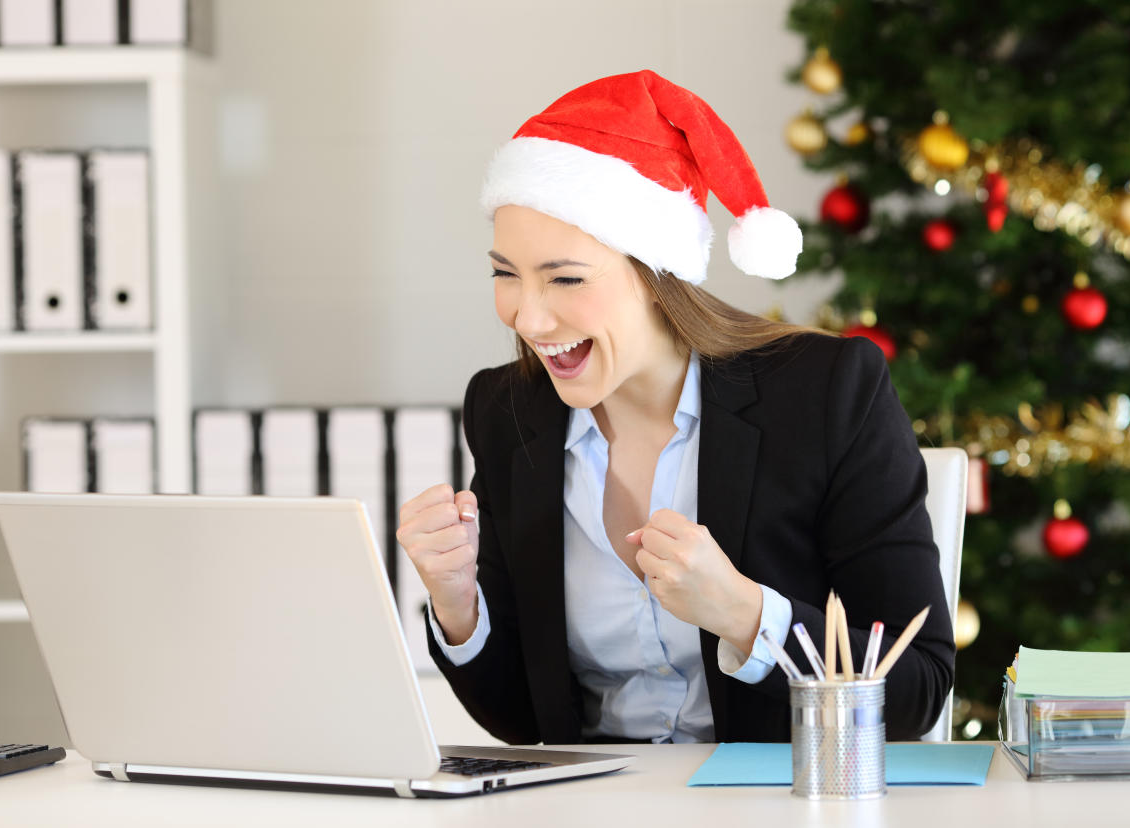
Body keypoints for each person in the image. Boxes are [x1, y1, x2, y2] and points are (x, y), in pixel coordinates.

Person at [396, 70, 954, 745]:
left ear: (658, 277)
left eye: (565, 278)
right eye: (505, 274)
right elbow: (526, 721)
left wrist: (744, 614)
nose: (530, 317)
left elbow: (917, 689)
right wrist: (458, 605)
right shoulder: (506, 409)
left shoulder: (827, 393)